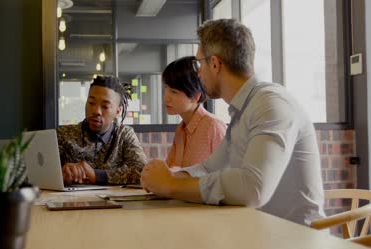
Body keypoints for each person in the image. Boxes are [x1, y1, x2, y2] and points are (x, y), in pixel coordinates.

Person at [141, 19, 325, 225]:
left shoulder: (271, 105)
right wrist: (172, 176)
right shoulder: (243, 109)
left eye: (198, 63)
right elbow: (210, 167)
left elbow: (253, 188)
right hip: (257, 232)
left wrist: (171, 185)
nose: (198, 72)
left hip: (295, 245)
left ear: (215, 64)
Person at [57, 75, 146, 185]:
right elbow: (43, 173)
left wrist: (96, 176)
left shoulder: (124, 135)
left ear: (117, 111)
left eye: (105, 106)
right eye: (91, 103)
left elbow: (142, 171)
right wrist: (62, 174)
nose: (96, 111)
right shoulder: (64, 135)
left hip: (114, 201)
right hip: (70, 201)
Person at [163, 56, 226, 168]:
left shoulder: (213, 127)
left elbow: (228, 178)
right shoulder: (181, 130)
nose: (166, 97)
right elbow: (171, 172)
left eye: (173, 92)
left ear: (195, 97)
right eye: (166, 88)